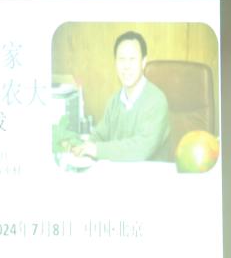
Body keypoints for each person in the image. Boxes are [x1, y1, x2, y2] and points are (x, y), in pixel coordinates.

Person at [73, 30, 170, 162]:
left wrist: (97, 150)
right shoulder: (114, 101)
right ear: (115, 63)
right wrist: (85, 147)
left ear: (143, 62)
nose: (126, 66)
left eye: (132, 59)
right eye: (121, 59)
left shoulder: (157, 101)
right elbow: (100, 135)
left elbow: (141, 149)